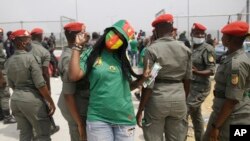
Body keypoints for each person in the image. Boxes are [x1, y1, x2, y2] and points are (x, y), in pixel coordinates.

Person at [69, 19, 150, 141]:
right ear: (107, 31)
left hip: (125, 120)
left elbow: (126, 88)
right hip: (98, 119)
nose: (115, 38)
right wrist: (77, 46)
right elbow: (74, 76)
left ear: (123, 43)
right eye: (114, 33)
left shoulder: (122, 59)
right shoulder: (91, 54)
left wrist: (143, 78)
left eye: (121, 38)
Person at [136, 14, 192, 141]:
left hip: (158, 98)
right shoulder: (185, 49)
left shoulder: (152, 50)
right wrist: (183, 99)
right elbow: (188, 80)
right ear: (171, 29)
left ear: (157, 30)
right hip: (179, 97)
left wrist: (141, 109)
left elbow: (149, 82)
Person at [203, 21, 250, 141]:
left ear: (230, 40)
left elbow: (232, 99)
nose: (221, 38)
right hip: (225, 113)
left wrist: (216, 126)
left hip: (233, 117)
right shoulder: (230, 57)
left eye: (224, 36)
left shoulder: (236, 64)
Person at [6, 29, 55, 141]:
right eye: (28, 41)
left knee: (25, 134)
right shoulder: (31, 59)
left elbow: (11, 85)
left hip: (15, 101)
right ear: (23, 43)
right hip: (32, 100)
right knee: (43, 135)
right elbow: (40, 85)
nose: (30, 43)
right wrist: (51, 102)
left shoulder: (8, 61)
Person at [57, 22, 90, 141]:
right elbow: (68, 94)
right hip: (76, 109)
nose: (87, 34)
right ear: (78, 36)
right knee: (80, 136)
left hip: (82, 105)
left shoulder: (80, 51)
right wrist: (79, 123)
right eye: (84, 32)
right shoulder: (68, 58)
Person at [186, 23, 216, 141]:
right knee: (196, 115)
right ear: (191, 34)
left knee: (185, 111)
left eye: (201, 33)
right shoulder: (192, 48)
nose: (199, 35)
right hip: (192, 86)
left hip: (201, 87)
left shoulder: (207, 49)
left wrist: (196, 72)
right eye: (197, 33)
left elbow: (211, 70)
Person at [30, 28, 60, 134]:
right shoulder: (43, 51)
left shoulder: (24, 48)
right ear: (41, 36)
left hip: (27, 83)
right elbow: (45, 72)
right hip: (40, 82)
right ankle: (50, 127)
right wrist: (49, 88)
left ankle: (34, 130)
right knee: (45, 105)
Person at [0, 28, 16, 124]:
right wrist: (1, 77)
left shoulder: (2, 43)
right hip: (1, 72)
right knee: (5, 94)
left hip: (2, 70)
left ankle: (1, 115)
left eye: (1, 33)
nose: (1, 35)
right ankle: (7, 117)